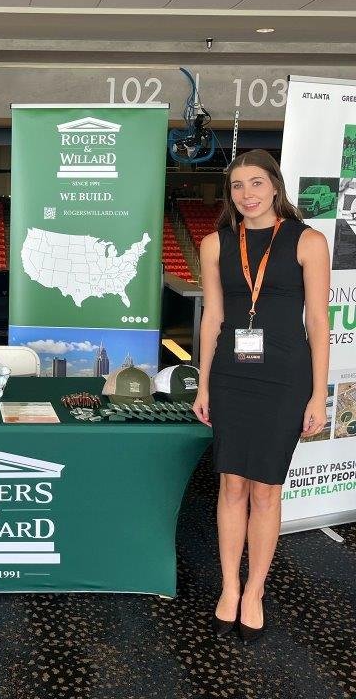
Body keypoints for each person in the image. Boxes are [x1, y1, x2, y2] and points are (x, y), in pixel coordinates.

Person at [193, 149, 329, 643]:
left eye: (256, 183)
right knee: (232, 485)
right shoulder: (215, 244)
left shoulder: (307, 241)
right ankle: (229, 587)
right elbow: (213, 317)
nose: (247, 194)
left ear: (275, 185)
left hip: (285, 379)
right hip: (232, 376)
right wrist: (203, 383)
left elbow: (319, 322)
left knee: (267, 489)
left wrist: (318, 395)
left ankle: (255, 591)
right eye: (237, 185)